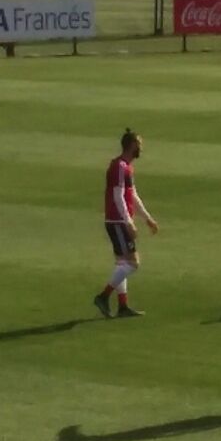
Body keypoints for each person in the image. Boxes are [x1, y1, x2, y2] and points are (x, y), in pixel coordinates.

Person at [93, 129, 159, 319]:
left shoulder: (126, 167)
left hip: (117, 220)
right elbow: (118, 196)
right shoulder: (120, 167)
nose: (141, 148)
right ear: (131, 145)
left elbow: (133, 195)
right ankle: (103, 296)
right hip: (117, 221)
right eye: (139, 144)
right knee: (133, 263)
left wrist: (147, 218)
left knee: (122, 263)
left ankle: (122, 306)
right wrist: (128, 222)